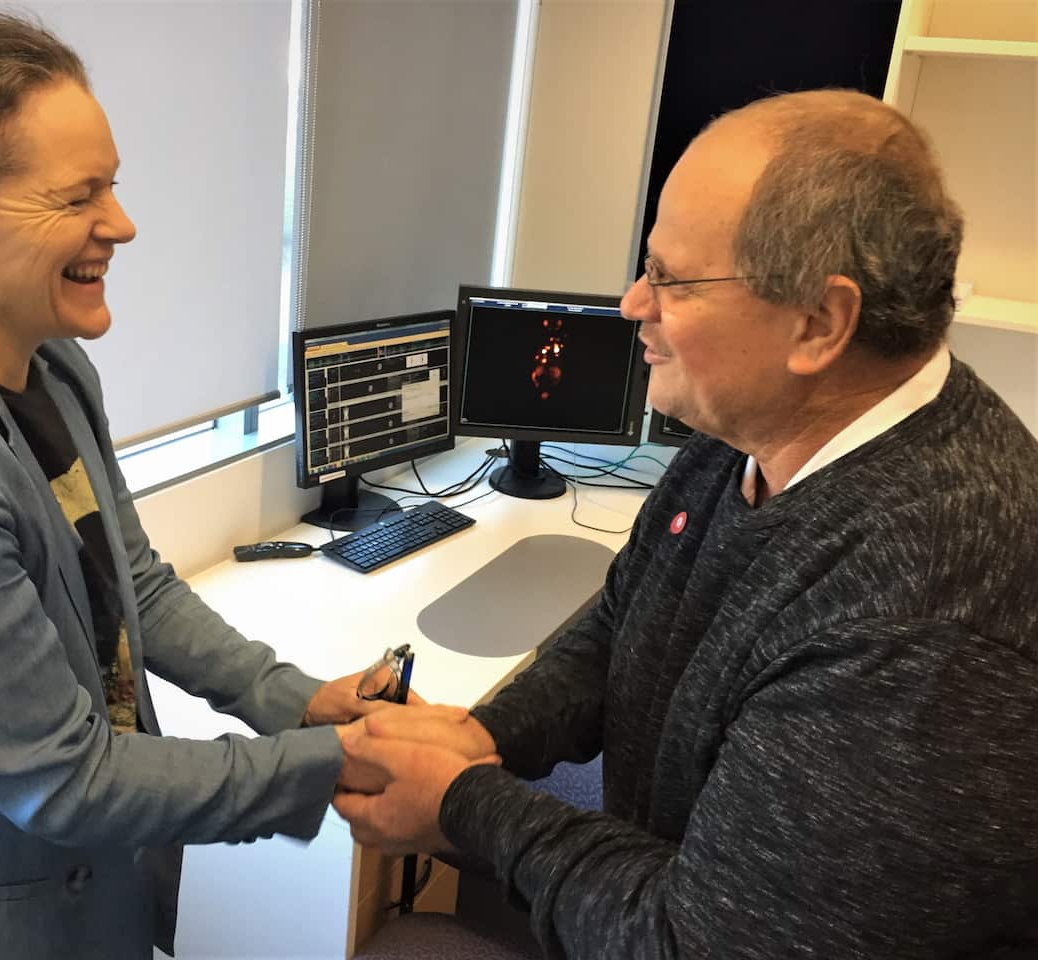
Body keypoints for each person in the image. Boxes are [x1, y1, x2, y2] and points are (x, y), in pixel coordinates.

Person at [0, 8, 418, 959]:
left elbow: (133, 584)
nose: (121, 223)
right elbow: (63, 779)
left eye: (113, 186)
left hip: (87, 901)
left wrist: (302, 701)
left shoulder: (54, 368)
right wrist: (334, 764)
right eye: (77, 196)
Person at [333, 89, 1038, 958]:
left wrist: (460, 801)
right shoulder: (746, 433)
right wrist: (485, 734)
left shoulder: (927, 610)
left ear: (818, 323)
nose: (633, 304)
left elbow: (700, 943)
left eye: (672, 278)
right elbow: (626, 626)